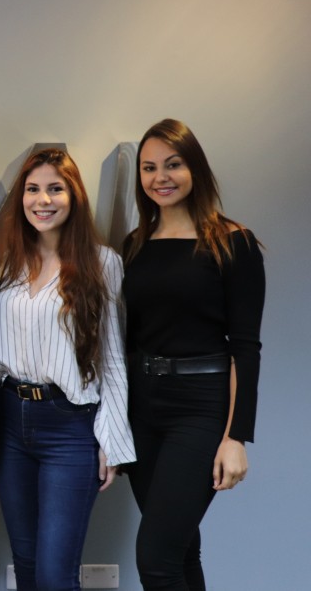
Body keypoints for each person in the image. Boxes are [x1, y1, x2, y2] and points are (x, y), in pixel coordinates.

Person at [122, 119, 265, 590]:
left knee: (156, 557)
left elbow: (245, 347)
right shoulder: (135, 245)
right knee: (182, 551)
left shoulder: (233, 243)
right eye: (149, 168)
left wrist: (236, 437)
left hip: (201, 409)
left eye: (173, 164)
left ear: (195, 169)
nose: (160, 176)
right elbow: (127, 338)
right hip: (142, 409)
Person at [0, 148, 135, 591]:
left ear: (73, 197)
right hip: (9, 423)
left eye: (55, 189)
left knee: (56, 575)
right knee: (28, 565)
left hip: (70, 428)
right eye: (33, 189)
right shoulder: (5, 262)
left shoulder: (101, 262)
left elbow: (112, 357)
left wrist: (111, 440)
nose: (43, 200)